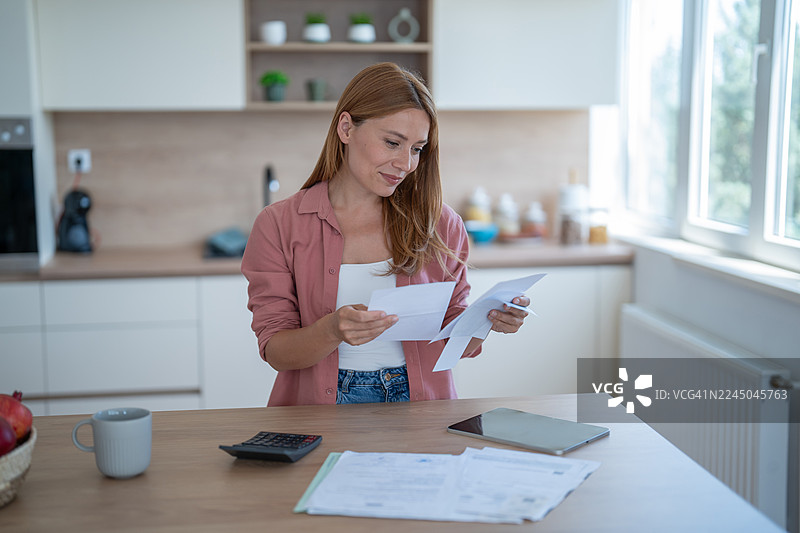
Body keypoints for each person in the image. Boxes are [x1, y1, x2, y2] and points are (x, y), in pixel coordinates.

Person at [241, 62, 530, 406]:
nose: (406, 163)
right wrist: (331, 330)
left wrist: (489, 321)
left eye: (416, 148)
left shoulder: (441, 225)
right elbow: (276, 351)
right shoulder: (279, 224)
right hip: (318, 411)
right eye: (392, 142)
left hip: (421, 407)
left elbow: (453, 340)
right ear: (346, 129)